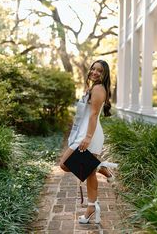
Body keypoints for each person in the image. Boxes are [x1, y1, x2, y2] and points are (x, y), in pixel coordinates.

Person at [60, 60, 114, 224]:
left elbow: (93, 114)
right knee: (88, 172)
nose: (95, 72)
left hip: (89, 134)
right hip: (85, 132)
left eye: (100, 71)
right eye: (93, 68)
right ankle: (92, 205)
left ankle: (98, 167)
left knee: (64, 164)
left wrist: (88, 137)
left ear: (104, 75)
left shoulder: (98, 88)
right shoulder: (93, 87)